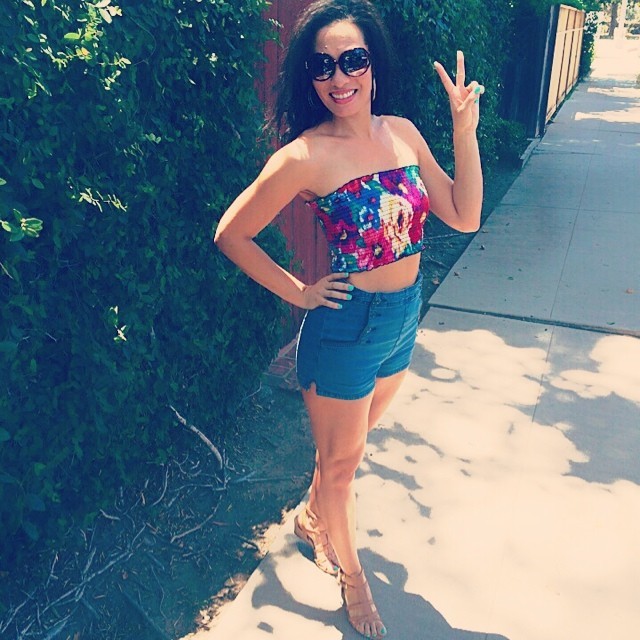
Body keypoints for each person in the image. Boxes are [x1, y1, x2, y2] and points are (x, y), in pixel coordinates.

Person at [214, 0, 483, 636]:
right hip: (346, 328)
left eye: (353, 60)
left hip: (402, 318)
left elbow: (464, 214)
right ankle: (353, 580)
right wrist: (300, 291)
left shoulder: (403, 132)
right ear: (310, 77)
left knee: (343, 456)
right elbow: (232, 233)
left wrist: (463, 129)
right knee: (341, 466)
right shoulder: (305, 156)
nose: (339, 77)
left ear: (373, 65)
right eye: (323, 66)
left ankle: (314, 518)